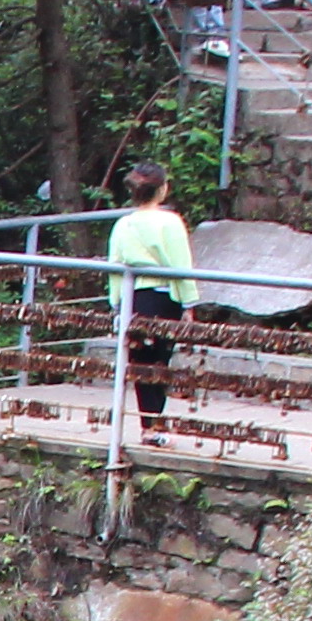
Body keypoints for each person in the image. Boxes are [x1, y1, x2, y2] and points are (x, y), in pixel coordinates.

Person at [108, 160, 195, 433]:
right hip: (164, 296)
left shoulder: (124, 224)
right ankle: (154, 423)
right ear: (162, 189)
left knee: (140, 362)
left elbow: (115, 266)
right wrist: (189, 302)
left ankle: (149, 424)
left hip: (134, 297)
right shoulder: (170, 222)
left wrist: (116, 302)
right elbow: (181, 265)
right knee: (160, 360)